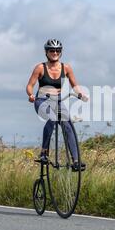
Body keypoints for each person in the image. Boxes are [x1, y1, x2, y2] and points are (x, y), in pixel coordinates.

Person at [26, 39, 87, 171]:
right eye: (52, 50)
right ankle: (44, 152)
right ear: (46, 52)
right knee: (53, 118)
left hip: (59, 100)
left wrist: (80, 94)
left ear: (61, 52)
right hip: (42, 100)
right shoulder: (40, 68)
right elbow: (30, 85)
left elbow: (74, 85)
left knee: (68, 124)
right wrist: (31, 95)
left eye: (57, 50)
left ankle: (76, 161)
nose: (55, 53)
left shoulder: (66, 68)